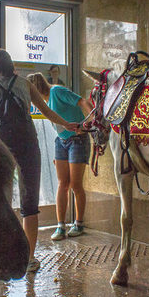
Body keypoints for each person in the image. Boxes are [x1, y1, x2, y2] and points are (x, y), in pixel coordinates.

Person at [0, 48, 79, 273]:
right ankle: (29, 259)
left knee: (1, 200)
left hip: (2, 148)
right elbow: (45, 111)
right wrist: (66, 124)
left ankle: (0, 255)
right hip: (28, 146)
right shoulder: (25, 83)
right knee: (30, 203)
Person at [27, 73, 92, 241]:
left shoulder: (57, 91)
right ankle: (61, 226)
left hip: (77, 140)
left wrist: (89, 122)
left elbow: (82, 102)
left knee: (75, 184)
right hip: (61, 141)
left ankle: (78, 223)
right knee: (63, 183)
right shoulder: (45, 101)